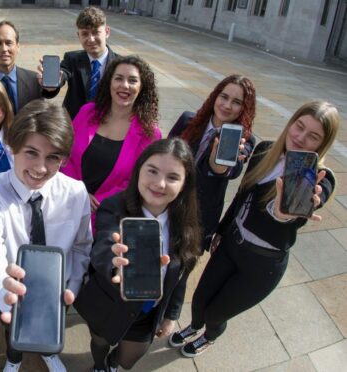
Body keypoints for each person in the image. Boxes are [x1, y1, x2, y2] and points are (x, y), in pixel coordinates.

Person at [170, 101, 339, 357]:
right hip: (231, 244)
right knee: (201, 299)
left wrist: (283, 213)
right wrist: (221, 230)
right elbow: (240, 196)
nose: (301, 138)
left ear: (323, 144)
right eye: (299, 127)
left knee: (217, 312)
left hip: (263, 265)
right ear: (291, 123)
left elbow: (300, 210)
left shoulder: (320, 178)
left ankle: (210, 335)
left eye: (313, 136)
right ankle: (194, 325)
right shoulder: (265, 150)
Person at [0, 99, 93, 372]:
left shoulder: (75, 192)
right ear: (12, 148)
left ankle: (47, 353)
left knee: (49, 327)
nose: (40, 168)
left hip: (57, 292)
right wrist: (3, 289)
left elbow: (82, 245)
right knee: (12, 331)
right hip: (12, 292)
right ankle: (14, 360)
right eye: (31, 153)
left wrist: (72, 285)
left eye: (53, 157)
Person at [70, 137, 203, 371]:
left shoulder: (186, 225)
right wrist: (114, 261)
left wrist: (171, 314)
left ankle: (111, 365)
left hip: (148, 313)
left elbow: (181, 276)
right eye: (152, 171)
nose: (160, 184)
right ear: (139, 170)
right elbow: (102, 245)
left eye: (172, 177)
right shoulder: (115, 206)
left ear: (185, 184)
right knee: (99, 343)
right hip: (108, 304)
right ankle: (100, 366)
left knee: (126, 361)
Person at [61, 55, 161, 227]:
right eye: (119, 78)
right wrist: (78, 192)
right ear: (109, 82)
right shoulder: (87, 112)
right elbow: (65, 152)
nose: (124, 85)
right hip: (66, 204)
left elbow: (136, 180)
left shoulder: (150, 133)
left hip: (105, 216)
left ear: (142, 87)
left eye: (132, 80)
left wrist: (95, 202)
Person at [168, 74, 256, 250]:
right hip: (169, 202)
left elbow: (232, 171)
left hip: (200, 217)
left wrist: (218, 163)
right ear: (215, 95)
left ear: (244, 109)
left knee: (182, 268)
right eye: (224, 97)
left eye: (237, 102)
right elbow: (165, 152)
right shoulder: (188, 120)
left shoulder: (244, 140)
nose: (227, 105)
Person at [42, 6, 119, 119]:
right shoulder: (72, 59)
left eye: (96, 32)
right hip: (76, 124)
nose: (91, 39)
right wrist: (53, 85)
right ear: (78, 35)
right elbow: (63, 73)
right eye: (85, 34)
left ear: (107, 32)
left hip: (108, 125)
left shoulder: (120, 64)